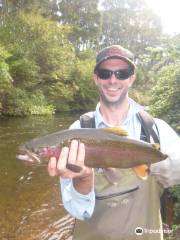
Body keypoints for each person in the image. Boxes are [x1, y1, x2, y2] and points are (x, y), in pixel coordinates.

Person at [48, 45, 180, 240]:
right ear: (95, 78)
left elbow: (175, 177)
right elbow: (77, 211)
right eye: (105, 73)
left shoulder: (156, 129)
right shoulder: (76, 131)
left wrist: (157, 165)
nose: (112, 80)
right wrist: (83, 180)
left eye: (122, 73)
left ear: (131, 78)